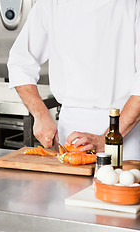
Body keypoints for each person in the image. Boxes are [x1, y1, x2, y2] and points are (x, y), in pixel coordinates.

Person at [8, 0, 140, 160]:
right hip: (70, 134)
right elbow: (20, 61)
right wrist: (40, 114)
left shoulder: (133, 5)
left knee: (116, 183)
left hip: (124, 132)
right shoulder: (51, 4)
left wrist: (107, 139)